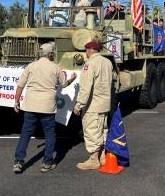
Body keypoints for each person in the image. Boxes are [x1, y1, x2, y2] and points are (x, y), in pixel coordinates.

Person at [13, 43, 76, 174]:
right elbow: (63, 84)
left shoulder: (31, 66)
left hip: (31, 105)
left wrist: (16, 100)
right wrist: (72, 79)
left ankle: (18, 161)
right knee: (50, 133)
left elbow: (20, 85)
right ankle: (47, 163)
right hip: (47, 106)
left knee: (26, 132)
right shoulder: (55, 68)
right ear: (50, 54)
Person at [73, 40, 112, 170]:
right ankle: (102, 156)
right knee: (102, 130)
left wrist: (79, 104)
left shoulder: (89, 64)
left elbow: (85, 88)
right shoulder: (107, 62)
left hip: (93, 105)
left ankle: (93, 159)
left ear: (88, 51)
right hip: (105, 103)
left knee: (91, 131)